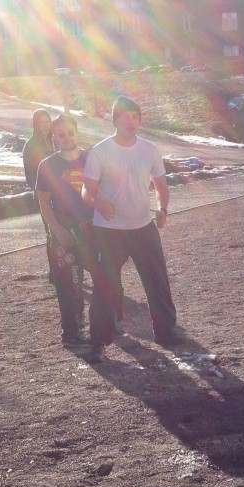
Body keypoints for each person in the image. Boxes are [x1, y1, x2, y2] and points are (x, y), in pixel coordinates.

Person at [82, 96, 181, 364]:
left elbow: (161, 186)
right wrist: (98, 202)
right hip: (110, 231)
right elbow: (86, 191)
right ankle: (97, 343)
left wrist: (162, 210)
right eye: (126, 116)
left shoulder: (149, 150)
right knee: (106, 287)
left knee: (157, 280)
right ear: (115, 120)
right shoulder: (100, 151)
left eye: (136, 116)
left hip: (142, 227)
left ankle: (165, 332)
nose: (131, 121)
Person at [35, 113, 93, 347]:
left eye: (71, 132)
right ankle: (72, 331)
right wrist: (56, 230)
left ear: (77, 133)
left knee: (106, 278)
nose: (67, 138)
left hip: (93, 229)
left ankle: (108, 324)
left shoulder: (92, 159)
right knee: (68, 284)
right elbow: (43, 202)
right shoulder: (47, 165)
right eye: (61, 134)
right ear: (54, 138)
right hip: (63, 231)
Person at [22, 108, 54, 191]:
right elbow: (30, 176)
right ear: (36, 124)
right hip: (42, 192)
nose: (45, 125)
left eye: (47, 121)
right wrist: (41, 192)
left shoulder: (57, 142)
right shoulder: (30, 146)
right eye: (41, 122)